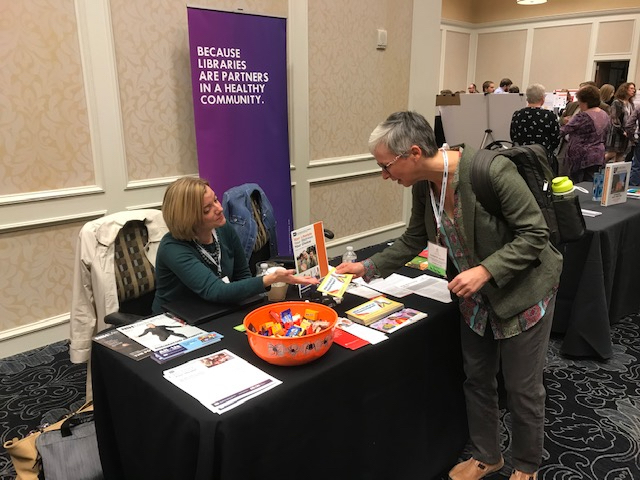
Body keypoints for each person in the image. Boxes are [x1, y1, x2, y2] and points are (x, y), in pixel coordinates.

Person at [336, 111, 562, 480]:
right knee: (477, 378)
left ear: (412, 152)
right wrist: (367, 267)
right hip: (476, 300)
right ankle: (488, 455)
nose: (385, 175)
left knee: (522, 388)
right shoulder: (425, 184)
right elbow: (413, 238)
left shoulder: (489, 172)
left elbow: (535, 235)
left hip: (523, 292)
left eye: (386, 166)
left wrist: (486, 270)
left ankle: (526, 465)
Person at [152, 177, 318, 313]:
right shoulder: (173, 248)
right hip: (176, 320)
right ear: (188, 218)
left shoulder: (223, 229)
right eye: (207, 209)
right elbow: (215, 291)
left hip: (215, 310)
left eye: (215, 200)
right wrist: (270, 279)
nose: (219, 209)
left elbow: (242, 274)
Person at [559, 85, 609, 183]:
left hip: (582, 158)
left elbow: (563, 131)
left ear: (584, 101)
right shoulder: (604, 114)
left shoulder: (583, 116)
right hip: (598, 155)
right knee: (592, 185)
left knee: (580, 186)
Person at [510, 83, 560, 160]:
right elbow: (555, 139)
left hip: (521, 157)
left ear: (527, 98)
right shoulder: (549, 115)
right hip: (543, 157)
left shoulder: (517, 114)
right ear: (542, 98)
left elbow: (513, 136)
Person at [605, 82, 636, 162]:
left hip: (627, 133)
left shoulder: (631, 104)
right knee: (612, 153)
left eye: (634, 88)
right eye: (631, 88)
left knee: (621, 155)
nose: (634, 90)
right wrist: (622, 131)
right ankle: (598, 165)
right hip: (616, 133)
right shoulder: (617, 103)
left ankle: (616, 174)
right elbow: (615, 119)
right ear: (625, 90)